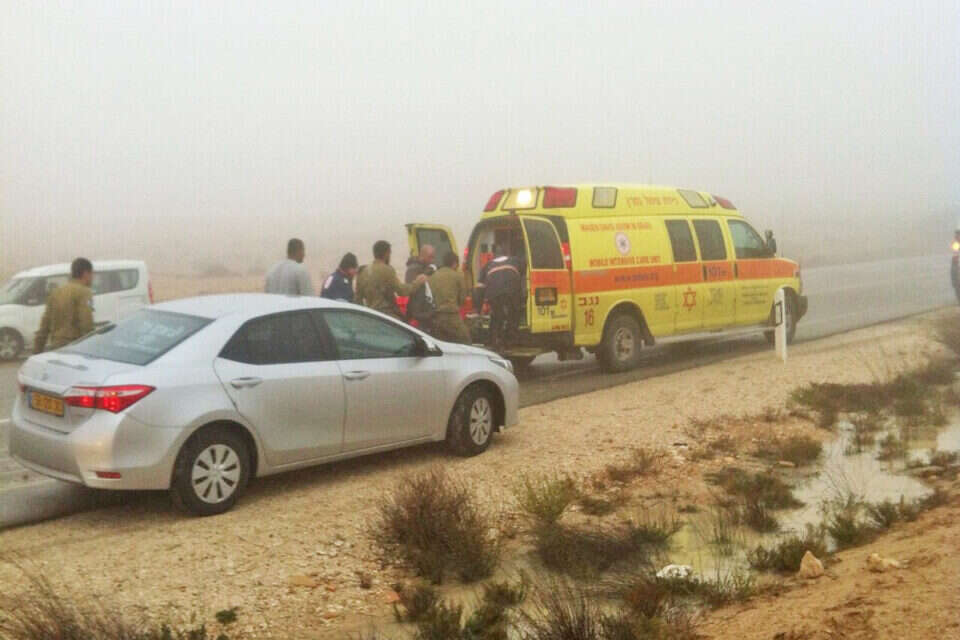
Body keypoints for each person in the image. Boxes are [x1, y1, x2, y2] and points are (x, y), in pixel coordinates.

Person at [34, 258, 95, 353]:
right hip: (75, 347)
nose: (92, 278)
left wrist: (37, 351)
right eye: (92, 274)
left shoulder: (56, 292)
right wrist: (92, 347)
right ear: (86, 273)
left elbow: (44, 325)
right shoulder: (84, 292)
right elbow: (86, 323)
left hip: (56, 347)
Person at [356, 240, 425, 319]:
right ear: (387, 253)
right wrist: (417, 283)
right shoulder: (387, 270)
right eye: (390, 253)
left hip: (371, 316)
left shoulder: (363, 272)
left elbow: (358, 300)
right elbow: (402, 291)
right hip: (387, 316)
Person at [474, 245, 523, 350]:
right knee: (513, 315)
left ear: (494, 255)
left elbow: (480, 289)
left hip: (494, 294)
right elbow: (523, 274)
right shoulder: (515, 260)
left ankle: (495, 341)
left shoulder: (487, 265)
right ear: (507, 253)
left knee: (496, 316)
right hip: (512, 291)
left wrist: (478, 309)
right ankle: (510, 342)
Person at [428, 252, 471, 344]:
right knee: (466, 341)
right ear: (454, 263)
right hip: (452, 316)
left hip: (437, 317)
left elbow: (429, 297)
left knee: (441, 344)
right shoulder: (457, 276)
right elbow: (462, 298)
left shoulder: (432, 277)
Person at [404, 245, 437, 330]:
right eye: (430, 257)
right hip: (417, 312)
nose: (432, 260)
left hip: (425, 310)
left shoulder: (427, 268)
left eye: (433, 257)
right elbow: (410, 288)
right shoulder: (413, 269)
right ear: (422, 256)